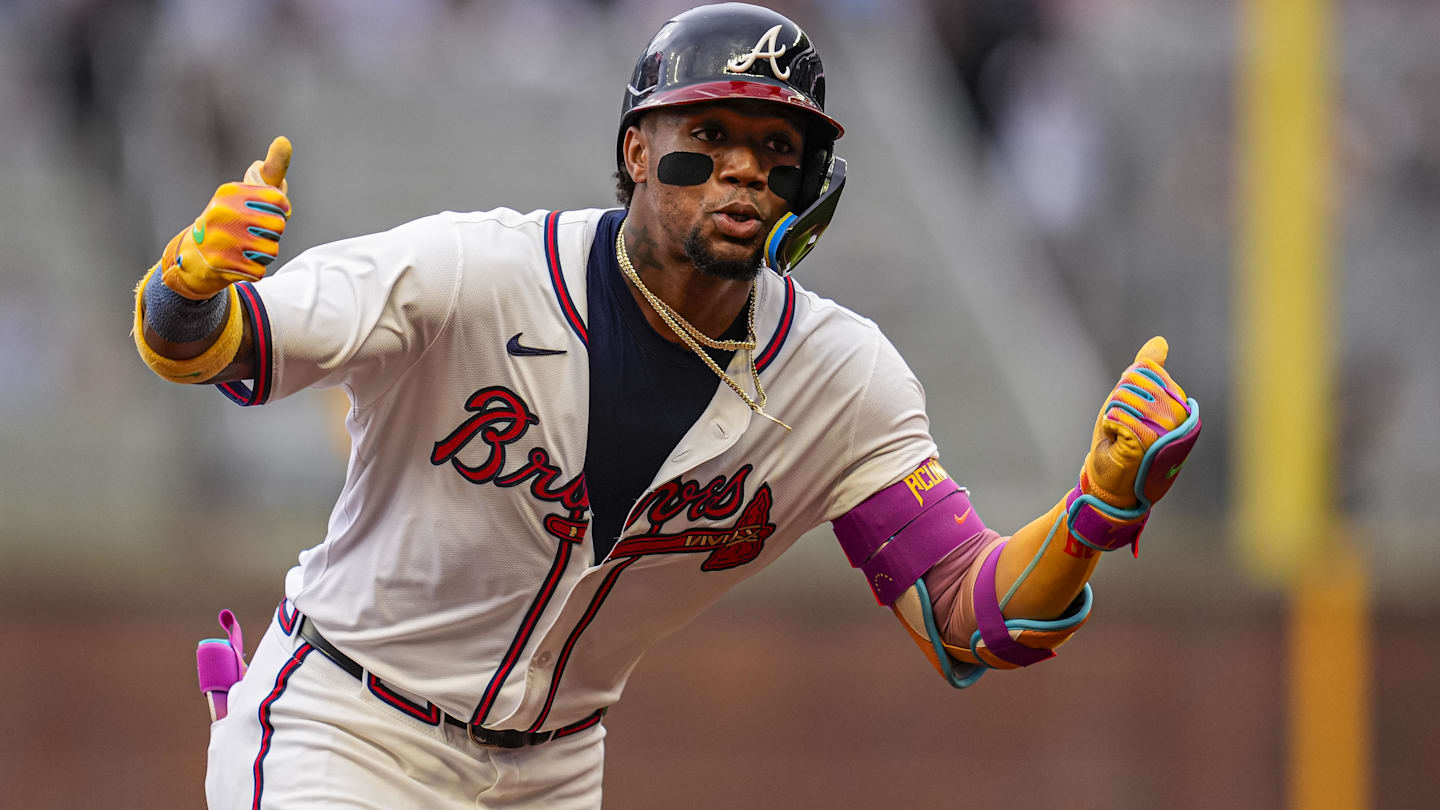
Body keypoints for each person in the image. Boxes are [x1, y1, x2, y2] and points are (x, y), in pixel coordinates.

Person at [132, 4, 1200, 808]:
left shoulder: (840, 376)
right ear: (638, 148)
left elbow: (970, 617)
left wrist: (1099, 509)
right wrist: (188, 283)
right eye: (713, 134)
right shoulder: (471, 271)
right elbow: (221, 352)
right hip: (351, 723)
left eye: (779, 150)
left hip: (550, 771)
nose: (742, 169)